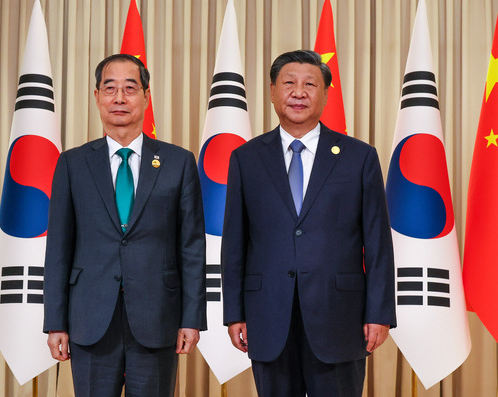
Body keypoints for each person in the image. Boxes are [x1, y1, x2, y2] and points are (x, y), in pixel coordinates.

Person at [221, 50, 396, 397]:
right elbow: (235, 242)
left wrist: (380, 312)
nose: (298, 92)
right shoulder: (246, 158)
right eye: (289, 83)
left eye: (309, 84)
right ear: (272, 91)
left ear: (326, 94)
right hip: (267, 314)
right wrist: (234, 313)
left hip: (340, 316)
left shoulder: (358, 157)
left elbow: (377, 242)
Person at [43, 54, 207, 397]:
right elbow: (58, 248)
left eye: (130, 88)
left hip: (158, 316)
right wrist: (55, 322)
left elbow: (191, 247)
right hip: (89, 318)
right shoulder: (72, 163)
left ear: (146, 96)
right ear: (97, 96)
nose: (120, 98)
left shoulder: (178, 162)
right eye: (110, 88)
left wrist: (192, 318)